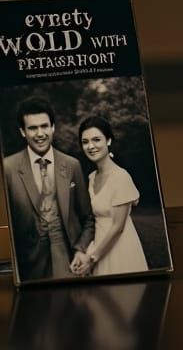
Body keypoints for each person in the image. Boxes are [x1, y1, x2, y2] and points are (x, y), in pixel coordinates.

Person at [2, 97, 94, 281]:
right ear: (22, 131)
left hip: (69, 259)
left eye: (44, 126)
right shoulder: (7, 168)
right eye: (32, 128)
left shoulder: (72, 165)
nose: (40, 133)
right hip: (29, 264)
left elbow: (88, 218)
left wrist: (81, 249)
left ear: (53, 127)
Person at [73, 115, 149, 277]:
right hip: (99, 245)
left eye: (96, 140)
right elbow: (92, 219)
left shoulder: (121, 177)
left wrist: (92, 259)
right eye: (85, 142)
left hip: (119, 247)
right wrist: (87, 251)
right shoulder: (92, 177)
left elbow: (117, 227)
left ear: (108, 141)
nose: (91, 146)